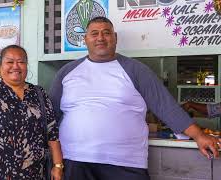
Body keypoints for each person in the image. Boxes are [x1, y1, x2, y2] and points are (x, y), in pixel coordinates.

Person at [49, 16, 221, 180]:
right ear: (85, 39)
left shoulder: (136, 70)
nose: (100, 38)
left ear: (115, 38)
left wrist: (198, 135)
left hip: (125, 162)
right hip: (75, 160)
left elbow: (165, 106)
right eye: (94, 33)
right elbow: (51, 118)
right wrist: (54, 161)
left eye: (106, 33)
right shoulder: (67, 72)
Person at [0, 45, 63, 180]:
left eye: (21, 62)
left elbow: (52, 133)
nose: (16, 66)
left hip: (35, 174)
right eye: (9, 62)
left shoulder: (39, 93)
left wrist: (57, 165)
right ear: (1, 66)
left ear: (26, 65)